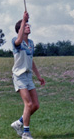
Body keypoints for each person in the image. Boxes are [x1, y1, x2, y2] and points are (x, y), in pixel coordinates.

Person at [11, 11, 45, 139]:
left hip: (28, 76)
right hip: (19, 76)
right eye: (26, 26)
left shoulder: (31, 43)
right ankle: (25, 133)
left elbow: (31, 61)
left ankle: (19, 122)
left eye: (28, 25)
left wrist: (38, 76)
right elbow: (19, 40)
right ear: (20, 29)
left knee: (35, 105)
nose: (28, 27)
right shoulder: (15, 41)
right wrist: (23, 19)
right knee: (28, 104)